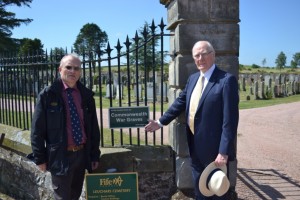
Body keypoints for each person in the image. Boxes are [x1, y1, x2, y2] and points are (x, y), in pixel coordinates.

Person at [145, 41, 239, 200]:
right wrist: (160, 122)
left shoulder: (226, 80)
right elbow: (179, 103)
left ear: (213, 55)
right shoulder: (193, 79)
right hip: (194, 146)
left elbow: (230, 120)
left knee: (217, 191)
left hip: (215, 150)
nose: (200, 58)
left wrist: (223, 151)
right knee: (200, 189)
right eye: (197, 55)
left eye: (204, 54)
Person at [30, 54, 101, 200]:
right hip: (60, 155)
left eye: (76, 68)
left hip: (82, 154)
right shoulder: (48, 95)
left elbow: (93, 128)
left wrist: (94, 154)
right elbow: (37, 130)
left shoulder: (86, 96)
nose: (72, 71)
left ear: (80, 72)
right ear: (60, 69)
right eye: (68, 67)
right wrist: (40, 158)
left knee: (75, 195)